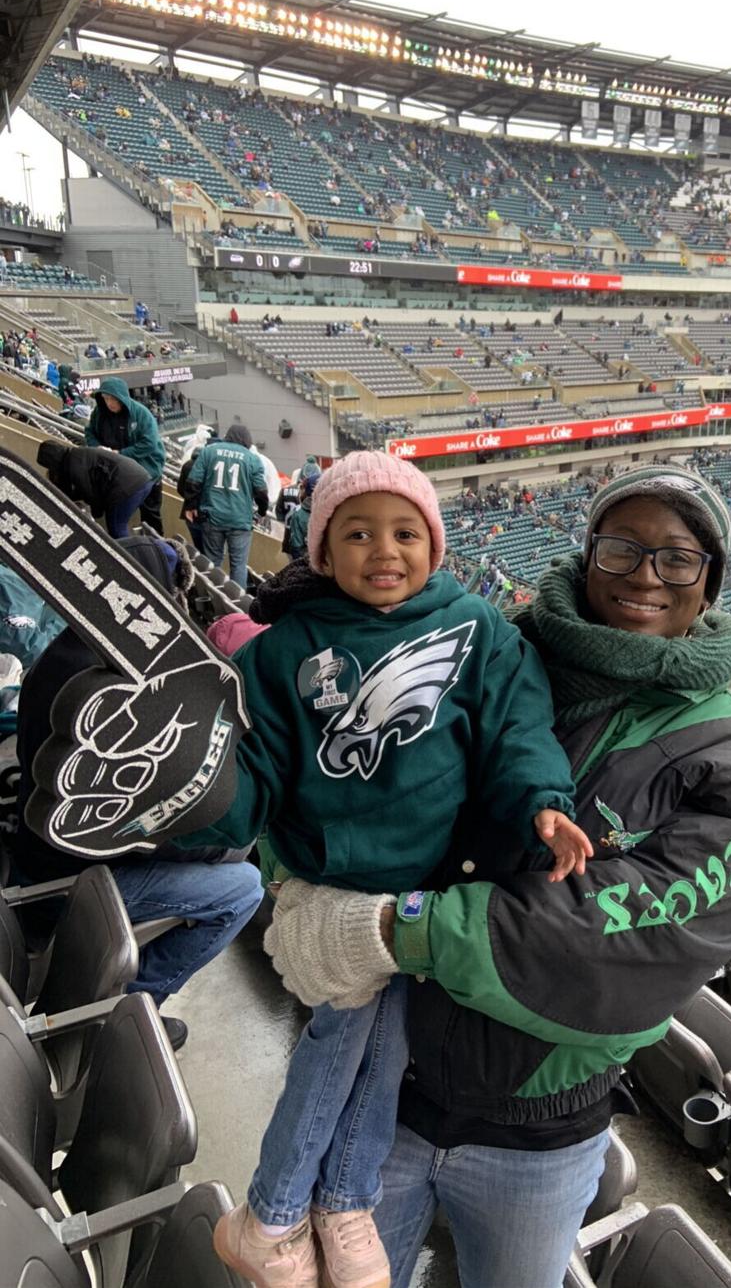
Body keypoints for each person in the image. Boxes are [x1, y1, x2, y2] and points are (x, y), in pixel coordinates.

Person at [239, 463, 731, 1288]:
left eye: (677, 559)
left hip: (539, 1139)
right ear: (587, 551)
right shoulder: (476, 641)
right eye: (622, 548)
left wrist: (394, 929)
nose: (645, 575)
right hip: (380, 1093)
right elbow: (322, 783)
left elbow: (621, 943)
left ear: (709, 581)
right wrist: (294, 884)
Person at [191, 451, 592, 1287]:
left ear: (434, 546)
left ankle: (323, 1200)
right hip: (329, 882)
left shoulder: (478, 630)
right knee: (345, 1037)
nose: (385, 550)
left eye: (406, 532)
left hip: (422, 884)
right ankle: (282, 1208)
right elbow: (255, 771)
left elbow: (517, 731)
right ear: (323, 552)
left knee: (379, 1037)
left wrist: (544, 801)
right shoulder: (283, 652)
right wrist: (211, 809)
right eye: (359, 533)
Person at [4, 536, 265, 1053]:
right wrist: (213, 847)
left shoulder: (61, 652)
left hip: (36, 855)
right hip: (71, 882)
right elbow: (127, 831)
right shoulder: (120, 688)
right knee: (243, 886)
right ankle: (128, 1008)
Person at [186, 424, 268, 588]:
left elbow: (193, 480)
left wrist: (191, 505)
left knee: (213, 562)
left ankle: (212, 598)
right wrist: (262, 511)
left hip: (212, 517)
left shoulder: (209, 451)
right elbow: (261, 491)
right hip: (240, 520)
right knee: (238, 565)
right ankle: (238, 607)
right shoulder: (252, 459)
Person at [84, 377, 166, 532]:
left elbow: (149, 443)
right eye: (106, 399)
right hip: (117, 472)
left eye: (113, 399)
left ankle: (158, 548)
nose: (109, 403)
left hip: (147, 471)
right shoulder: (99, 413)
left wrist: (121, 454)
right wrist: (97, 448)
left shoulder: (141, 414)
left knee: (151, 516)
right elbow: (89, 432)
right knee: (116, 516)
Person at [36, 440, 154, 540]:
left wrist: (96, 513)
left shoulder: (73, 465)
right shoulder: (77, 455)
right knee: (118, 525)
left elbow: (90, 493)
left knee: (117, 527)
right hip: (140, 478)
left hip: (127, 485)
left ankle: (130, 561)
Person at [284, 470, 318, 559]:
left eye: (302, 488)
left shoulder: (299, 514)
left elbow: (296, 546)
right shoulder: (333, 512)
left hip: (305, 562)